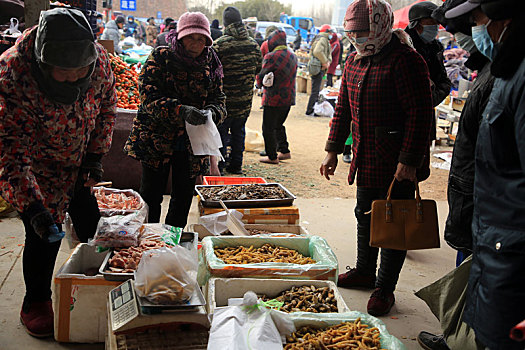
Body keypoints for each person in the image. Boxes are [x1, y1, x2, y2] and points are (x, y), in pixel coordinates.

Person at [0, 8, 116, 337]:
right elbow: (10, 148)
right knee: (43, 232)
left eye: (82, 69)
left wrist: (94, 157)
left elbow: (107, 107)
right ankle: (35, 301)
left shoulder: (99, 62)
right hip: (36, 165)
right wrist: (32, 206)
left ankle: (96, 281)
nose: (76, 77)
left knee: (91, 222)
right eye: (65, 72)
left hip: (78, 156)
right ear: (43, 62)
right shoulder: (13, 73)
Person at [320, 0, 433, 316]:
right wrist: (332, 149)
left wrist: (409, 159)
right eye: (352, 32)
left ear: (381, 25)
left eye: (363, 30)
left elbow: (419, 113)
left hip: (398, 161)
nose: (357, 37)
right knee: (365, 213)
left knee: (394, 222)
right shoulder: (356, 60)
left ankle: (385, 288)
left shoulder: (406, 60)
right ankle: (364, 271)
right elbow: (343, 108)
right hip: (366, 155)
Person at [444, 1, 525, 349]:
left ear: (504, 18)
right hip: (497, 247)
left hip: (511, 256)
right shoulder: (506, 69)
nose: (476, 30)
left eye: (477, 20)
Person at [416, 2, 496, 348]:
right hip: (475, 194)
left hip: (488, 202)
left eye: (475, 22)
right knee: (470, 270)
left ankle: (461, 340)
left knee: (481, 277)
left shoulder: (504, 75)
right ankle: (459, 335)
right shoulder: (492, 68)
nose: (465, 36)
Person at [124, 12, 226, 229]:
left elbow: (219, 99)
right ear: (180, 36)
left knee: (182, 197)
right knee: (151, 195)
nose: (196, 43)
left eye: (201, 39)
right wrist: (181, 110)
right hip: (157, 138)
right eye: (191, 37)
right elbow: (148, 97)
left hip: (192, 143)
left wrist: (212, 112)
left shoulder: (211, 61)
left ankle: (172, 242)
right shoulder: (161, 57)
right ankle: (146, 240)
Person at [213, 7, 262, 174]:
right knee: (239, 131)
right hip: (244, 100)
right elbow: (258, 69)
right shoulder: (253, 45)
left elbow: (211, 72)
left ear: (225, 23)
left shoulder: (220, 45)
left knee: (221, 132)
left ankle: (219, 166)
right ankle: (236, 165)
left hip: (224, 101)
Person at [256, 29, 297, 165]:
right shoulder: (292, 55)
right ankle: (284, 151)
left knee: (268, 127)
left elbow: (261, 76)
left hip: (273, 98)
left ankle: (272, 156)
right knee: (279, 124)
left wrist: (258, 82)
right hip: (288, 97)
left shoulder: (271, 56)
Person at [305, 24, 332, 116]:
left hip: (316, 67)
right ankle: (310, 110)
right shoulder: (323, 39)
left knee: (315, 90)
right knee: (315, 91)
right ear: (327, 32)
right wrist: (325, 62)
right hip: (318, 68)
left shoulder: (318, 38)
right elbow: (317, 51)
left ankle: (313, 109)